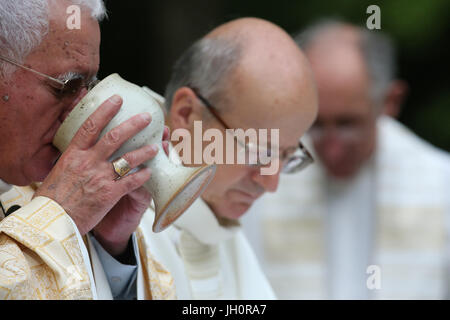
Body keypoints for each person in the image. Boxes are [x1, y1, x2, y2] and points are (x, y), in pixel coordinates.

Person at [242, 20, 450, 299]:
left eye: (347, 124)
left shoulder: (440, 183)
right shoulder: (255, 183)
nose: (333, 148)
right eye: (315, 124)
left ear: (390, 101)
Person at [0, 0, 175, 300]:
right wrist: (56, 219)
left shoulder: (56, 183)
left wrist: (107, 246)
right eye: (67, 86)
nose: (80, 112)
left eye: (90, 87)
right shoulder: (60, 198)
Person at [137, 17, 318, 299]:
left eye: (286, 158)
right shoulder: (115, 216)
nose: (271, 184)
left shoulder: (214, 217)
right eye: (260, 153)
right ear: (187, 114)